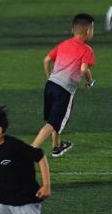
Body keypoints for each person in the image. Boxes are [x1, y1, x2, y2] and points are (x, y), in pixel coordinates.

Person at [32, 13, 96, 156]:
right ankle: (31, 149)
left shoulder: (63, 44)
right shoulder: (87, 50)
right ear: (88, 31)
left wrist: (50, 77)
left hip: (50, 85)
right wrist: (89, 82)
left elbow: (46, 60)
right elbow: (84, 69)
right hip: (64, 90)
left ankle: (57, 146)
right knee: (53, 122)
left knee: (55, 118)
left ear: (73, 29)